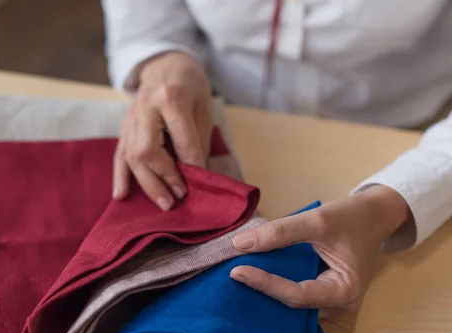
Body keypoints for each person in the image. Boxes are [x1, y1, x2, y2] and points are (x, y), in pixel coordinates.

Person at [101, 0, 452, 316]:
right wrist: (162, 61)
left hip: (410, 135)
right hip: (225, 116)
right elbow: (144, 20)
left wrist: (396, 200)